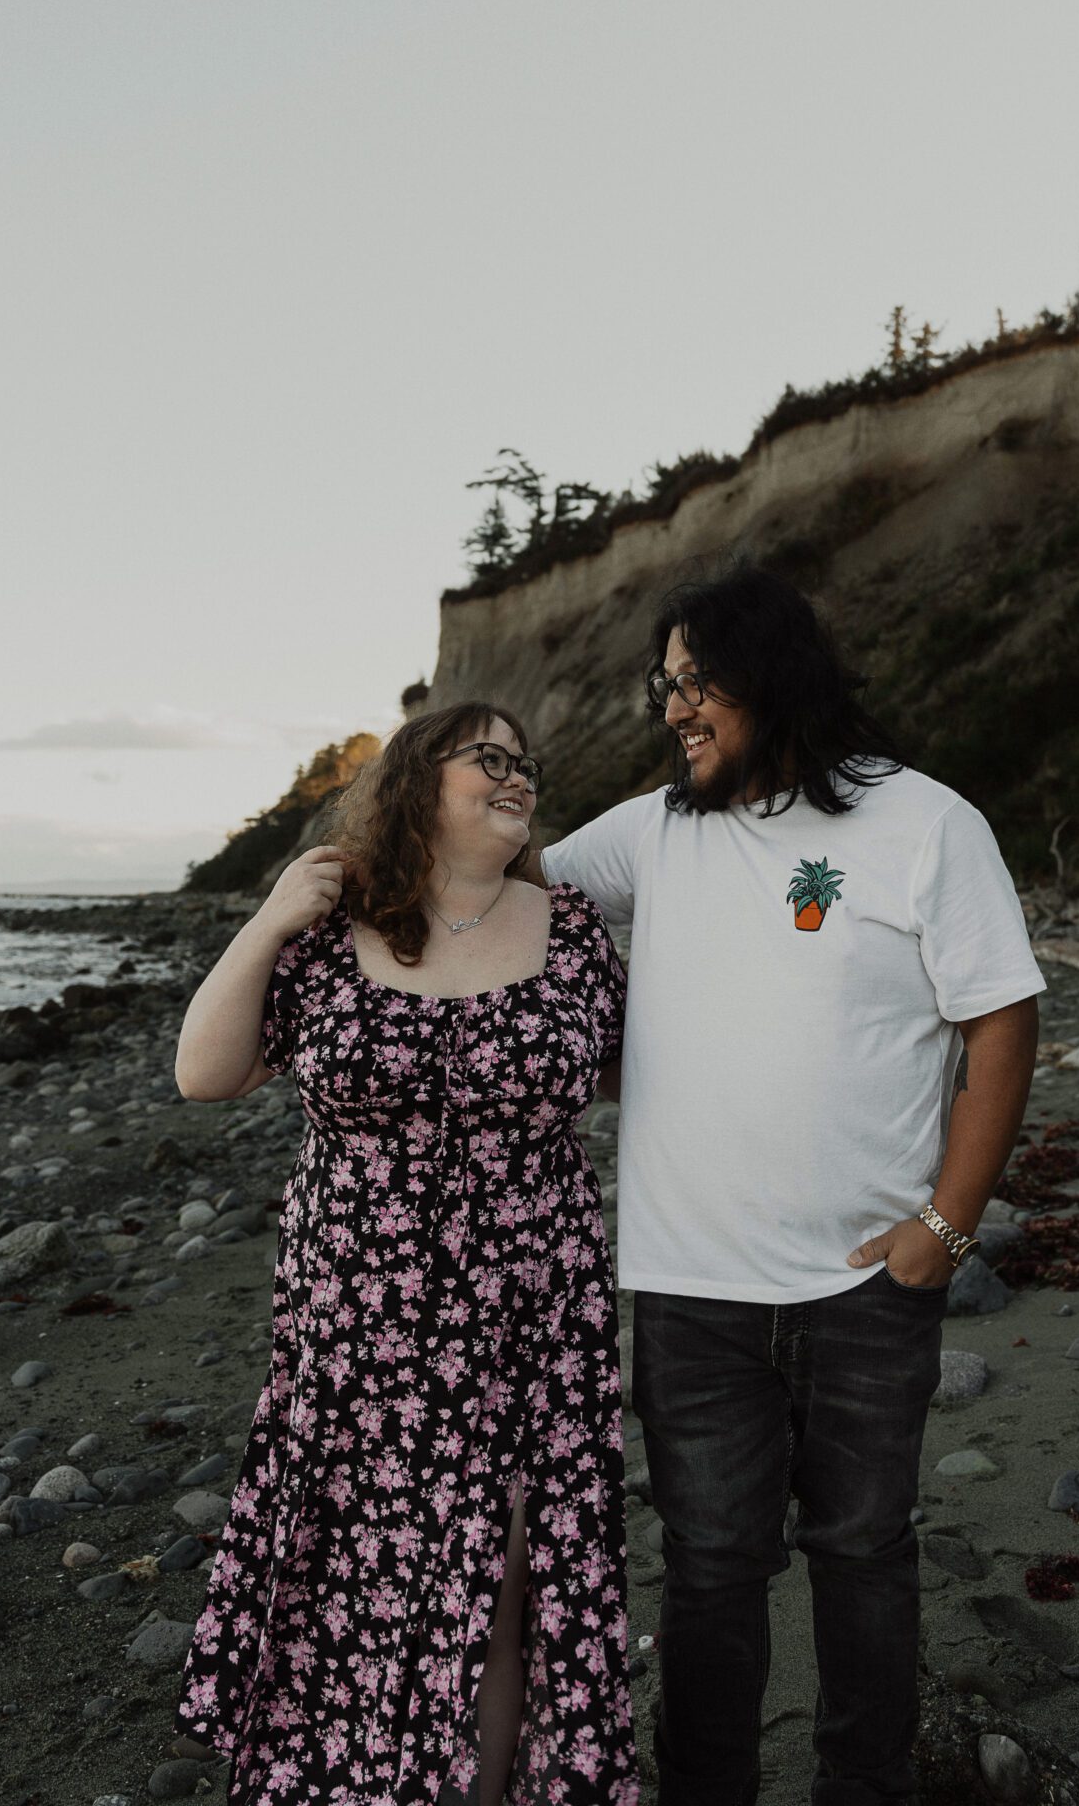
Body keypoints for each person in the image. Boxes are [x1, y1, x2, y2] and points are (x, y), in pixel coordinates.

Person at [542, 564, 1045, 1806]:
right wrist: (316, 892)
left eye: (690, 680)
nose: (670, 709)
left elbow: (1000, 1021)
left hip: (865, 1281)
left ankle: (859, 1788)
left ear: (768, 671)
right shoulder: (652, 831)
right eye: (661, 686)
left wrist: (946, 1223)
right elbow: (498, 892)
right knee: (709, 1567)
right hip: (688, 1283)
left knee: (863, 1551)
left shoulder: (923, 821)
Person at [172, 702, 637, 1806]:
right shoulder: (333, 928)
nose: (517, 777)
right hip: (355, 1328)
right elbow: (206, 1071)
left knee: (511, 1582)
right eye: (490, 758)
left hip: (531, 1317)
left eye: (527, 763)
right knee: (349, 1588)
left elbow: (647, 1077)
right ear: (418, 780)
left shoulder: (570, 928)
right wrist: (269, 916)